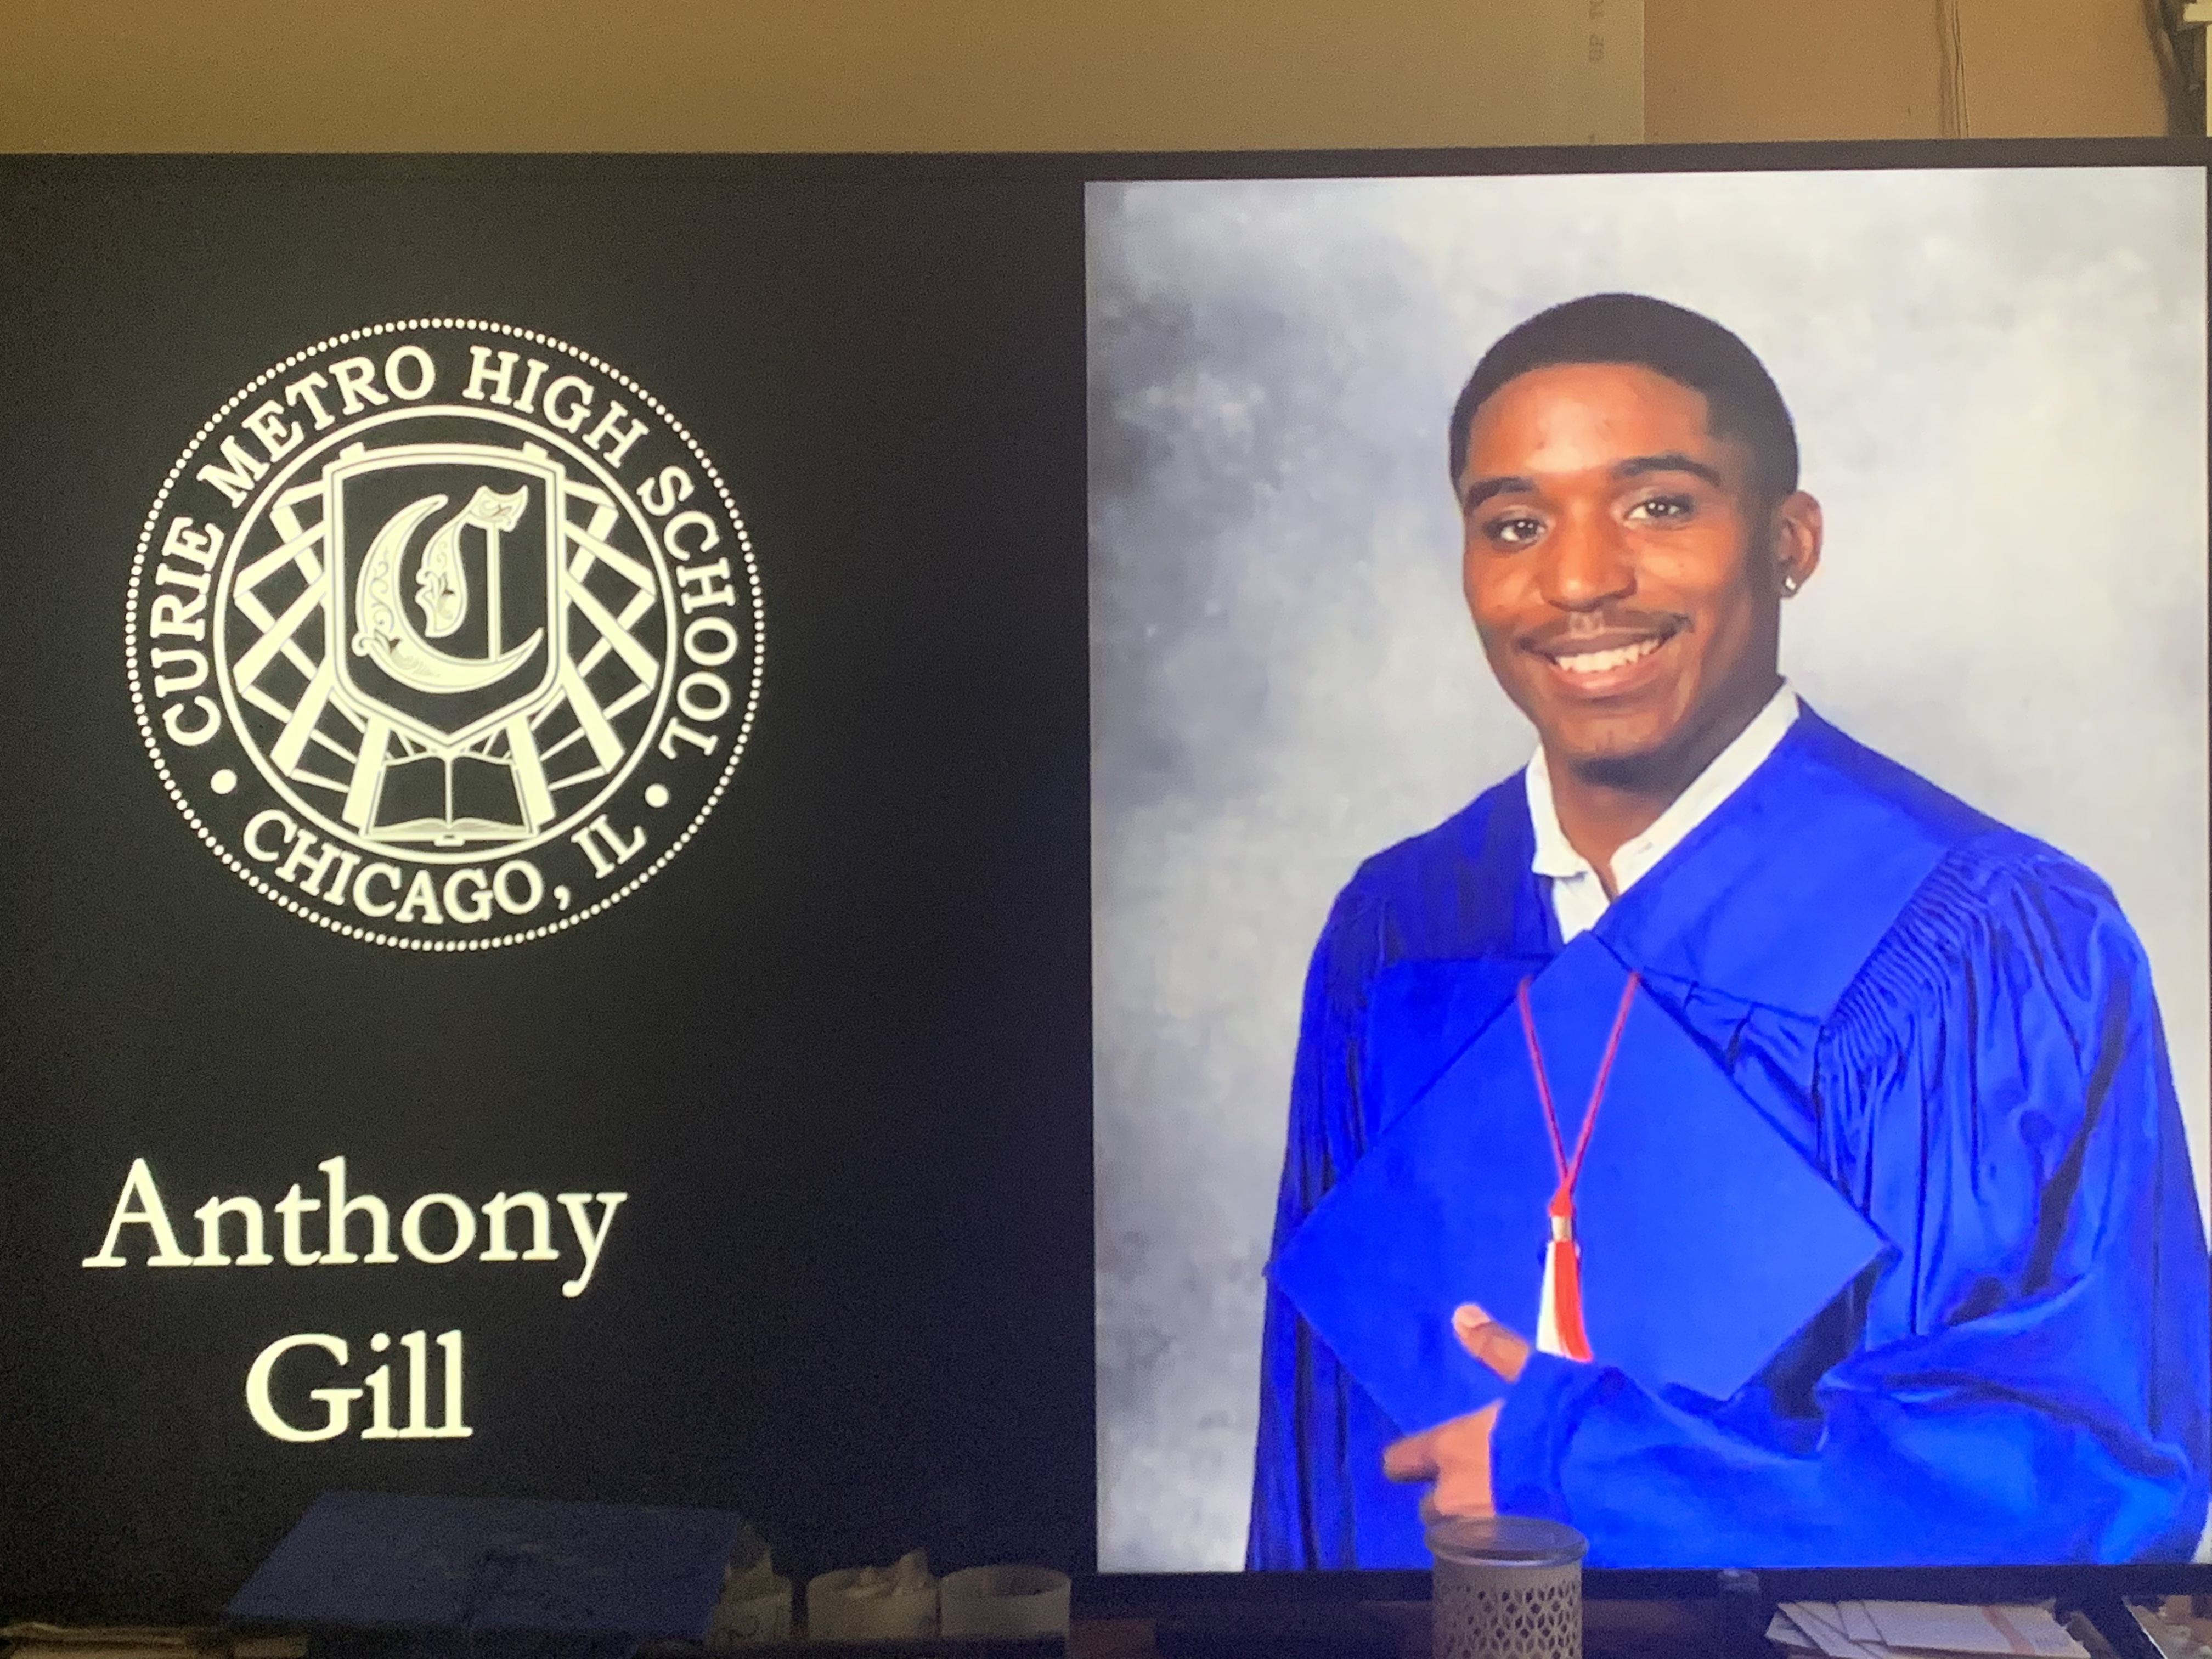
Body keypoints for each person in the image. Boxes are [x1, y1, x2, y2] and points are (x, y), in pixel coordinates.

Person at [1245, 292, 2211, 1570]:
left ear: (1790, 542)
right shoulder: (1401, 931)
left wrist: (1579, 1466)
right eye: (1516, 524)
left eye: (1658, 507)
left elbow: (2090, 1471)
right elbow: (1315, 1471)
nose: (1579, 579)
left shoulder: (1997, 943)